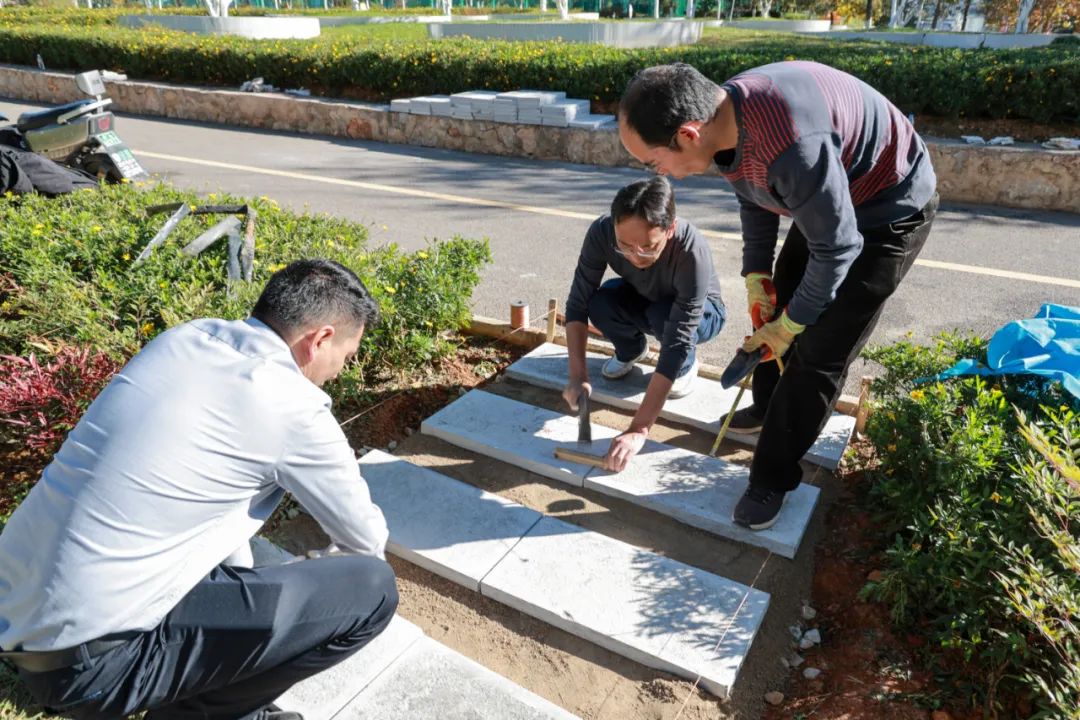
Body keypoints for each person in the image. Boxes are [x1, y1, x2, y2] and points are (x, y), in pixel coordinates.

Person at [0, 259, 398, 720]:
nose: (340, 371)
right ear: (321, 339)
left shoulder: (184, 340)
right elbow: (365, 543)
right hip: (91, 671)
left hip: (17, 615)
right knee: (372, 590)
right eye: (346, 356)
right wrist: (316, 569)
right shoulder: (294, 406)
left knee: (238, 576)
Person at [618, 61, 938, 530]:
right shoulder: (724, 119)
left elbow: (839, 248)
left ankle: (772, 478)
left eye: (653, 162)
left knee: (820, 349)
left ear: (687, 134)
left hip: (888, 207)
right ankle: (767, 407)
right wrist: (756, 274)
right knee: (779, 300)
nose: (658, 174)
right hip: (831, 192)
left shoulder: (791, 145)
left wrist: (791, 326)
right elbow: (753, 191)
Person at [562, 176, 726, 472]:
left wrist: (638, 428)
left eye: (649, 247)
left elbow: (677, 339)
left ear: (670, 229)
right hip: (648, 299)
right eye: (624, 245)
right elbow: (577, 304)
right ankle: (632, 350)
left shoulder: (691, 250)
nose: (636, 257)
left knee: (665, 317)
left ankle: (686, 367)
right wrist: (577, 376)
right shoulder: (601, 232)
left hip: (701, 316)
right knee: (600, 303)